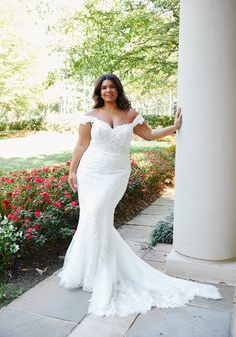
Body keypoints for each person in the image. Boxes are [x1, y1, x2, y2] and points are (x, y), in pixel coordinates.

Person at [58, 73, 222, 317]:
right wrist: (72, 171)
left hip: (116, 174)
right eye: (104, 87)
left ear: (118, 90)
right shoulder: (90, 117)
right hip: (91, 172)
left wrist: (175, 127)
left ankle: (102, 274)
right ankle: (88, 272)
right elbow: (82, 145)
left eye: (112, 87)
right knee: (92, 218)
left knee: (98, 216)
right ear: (98, 91)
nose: (108, 91)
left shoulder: (131, 115)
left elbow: (150, 134)